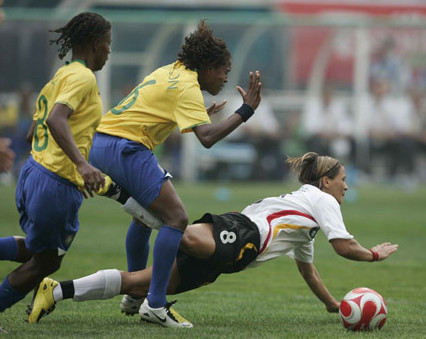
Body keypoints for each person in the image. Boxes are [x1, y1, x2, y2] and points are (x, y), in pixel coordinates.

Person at [27, 152, 398, 328]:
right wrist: (373, 256)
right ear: (325, 182)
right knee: (182, 232)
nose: (347, 186)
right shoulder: (319, 199)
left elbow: (309, 271)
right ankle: (119, 192)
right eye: (343, 179)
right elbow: (343, 246)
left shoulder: (305, 219)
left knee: (142, 283)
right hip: (241, 234)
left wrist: (333, 305)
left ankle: (55, 291)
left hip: (230, 260)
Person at [71, 20, 261, 328]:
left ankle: (134, 293)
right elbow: (207, 139)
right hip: (127, 149)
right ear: (209, 67)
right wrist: (246, 110)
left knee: (144, 216)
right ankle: (155, 304)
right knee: (177, 219)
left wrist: (198, 115)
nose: (227, 77)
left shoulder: (170, 71)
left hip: (102, 143)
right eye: (225, 70)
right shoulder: (188, 86)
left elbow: (160, 108)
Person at [0, 12, 112, 316]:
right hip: (55, 181)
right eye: (107, 44)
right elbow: (54, 118)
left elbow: (33, 129)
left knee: (39, 250)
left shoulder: (61, 74)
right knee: (47, 262)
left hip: (34, 173)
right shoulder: (83, 77)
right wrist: (82, 165)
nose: (109, 51)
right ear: (95, 44)